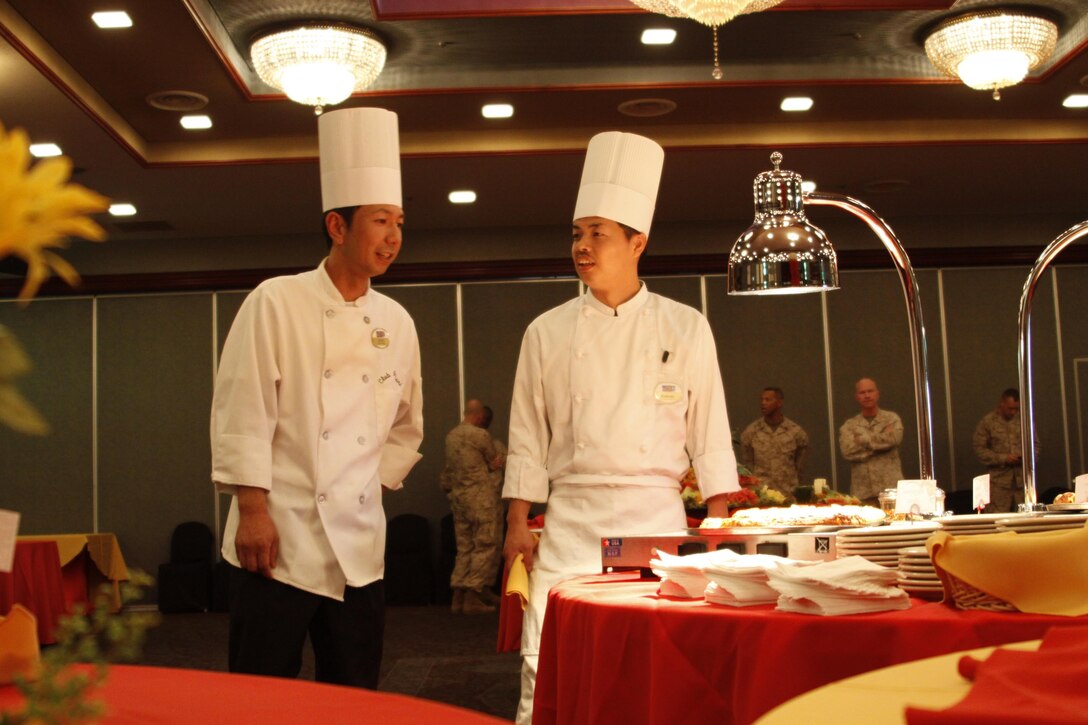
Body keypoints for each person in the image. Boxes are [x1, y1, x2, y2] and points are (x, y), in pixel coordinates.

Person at [502, 131, 740, 725]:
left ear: (638, 242)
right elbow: (527, 436)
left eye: (597, 233)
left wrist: (720, 527)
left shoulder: (685, 327)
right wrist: (515, 525)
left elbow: (710, 433)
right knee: (547, 664)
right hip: (570, 520)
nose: (582, 246)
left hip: (654, 522)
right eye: (577, 234)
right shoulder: (546, 332)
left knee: (656, 667)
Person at [210, 107, 423, 688]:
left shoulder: (398, 321)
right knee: (261, 691)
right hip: (275, 540)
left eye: (399, 221)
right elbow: (242, 410)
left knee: (354, 692)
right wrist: (252, 511)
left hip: (359, 543)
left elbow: (408, 424)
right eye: (380, 221)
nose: (394, 236)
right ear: (337, 226)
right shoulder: (275, 301)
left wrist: (364, 486)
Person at [440, 398, 505, 614]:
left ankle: (457, 596)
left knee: (464, 547)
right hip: (481, 500)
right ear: (479, 416)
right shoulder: (480, 436)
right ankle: (473, 595)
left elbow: (447, 476)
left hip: (460, 501)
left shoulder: (451, 436)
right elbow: (493, 460)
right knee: (485, 545)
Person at [838, 377, 903, 505]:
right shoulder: (849, 425)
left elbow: (894, 439)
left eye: (870, 391)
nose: (867, 395)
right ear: (857, 397)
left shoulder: (891, 419)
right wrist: (881, 445)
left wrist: (863, 440)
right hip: (863, 493)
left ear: (877, 394)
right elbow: (847, 452)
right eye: (862, 393)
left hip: (891, 491)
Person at [739, 387, 809, 496]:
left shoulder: (795, 432)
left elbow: (799, 466)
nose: (763, 403)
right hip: (761, 494)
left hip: (787, 494)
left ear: (779, 402)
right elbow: (748, 465)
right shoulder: (751, 432)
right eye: (762, 400)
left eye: (768, 400)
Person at [973, 388, 1024, 513]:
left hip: (1022, 483)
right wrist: (1004, 458)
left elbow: (1036, 446)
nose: (1013, 412)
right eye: (1010, 408)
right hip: (998, 484)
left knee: (1026, 521)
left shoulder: (1023, 421)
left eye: (1016, 409)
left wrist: (1025, 457)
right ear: (1002, 403)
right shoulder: (988, 422)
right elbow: (979, 450)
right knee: (997, 521)